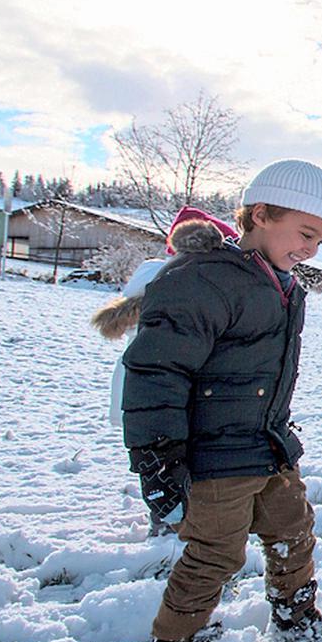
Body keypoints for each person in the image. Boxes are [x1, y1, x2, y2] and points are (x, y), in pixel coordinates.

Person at [122, 159, 322, 642]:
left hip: (266, 444)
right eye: (306, 233)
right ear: (263, 214)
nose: (312, 249)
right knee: (214, 555)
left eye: (321, 241)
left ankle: (296, 615)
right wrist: (158, 456)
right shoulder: (204, 280)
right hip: (215, 457)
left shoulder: (281, 284)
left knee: (294, 529)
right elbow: (157, 369)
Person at [92, 207, 240, 536]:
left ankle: (167, 518)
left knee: (160, 463)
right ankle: (171, 525)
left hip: (141, 392)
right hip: (164, 393)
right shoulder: (182, 286)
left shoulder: (154, 278)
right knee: (170, 462)